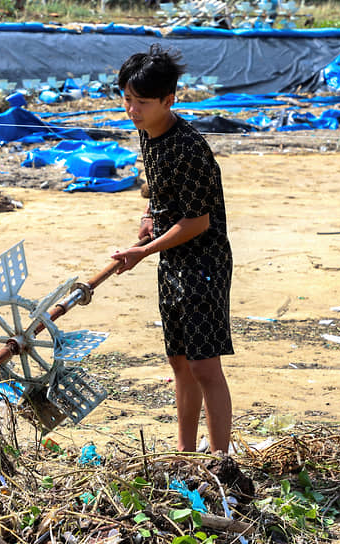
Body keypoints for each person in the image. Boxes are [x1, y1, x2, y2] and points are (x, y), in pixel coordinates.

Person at [111, 44, 234, 454]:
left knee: (204, 365)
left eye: (142, 102)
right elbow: (159, 190)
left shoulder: (189, 148)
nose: (133, 110)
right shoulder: (148, 134)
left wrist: (143, 253)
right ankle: (185, 453)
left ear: (169, 99)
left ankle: (220, 461)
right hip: (173, 259)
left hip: (204, 263)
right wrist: (150, 215)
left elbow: (198, 221)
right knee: (179, 362)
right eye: (127, 99)